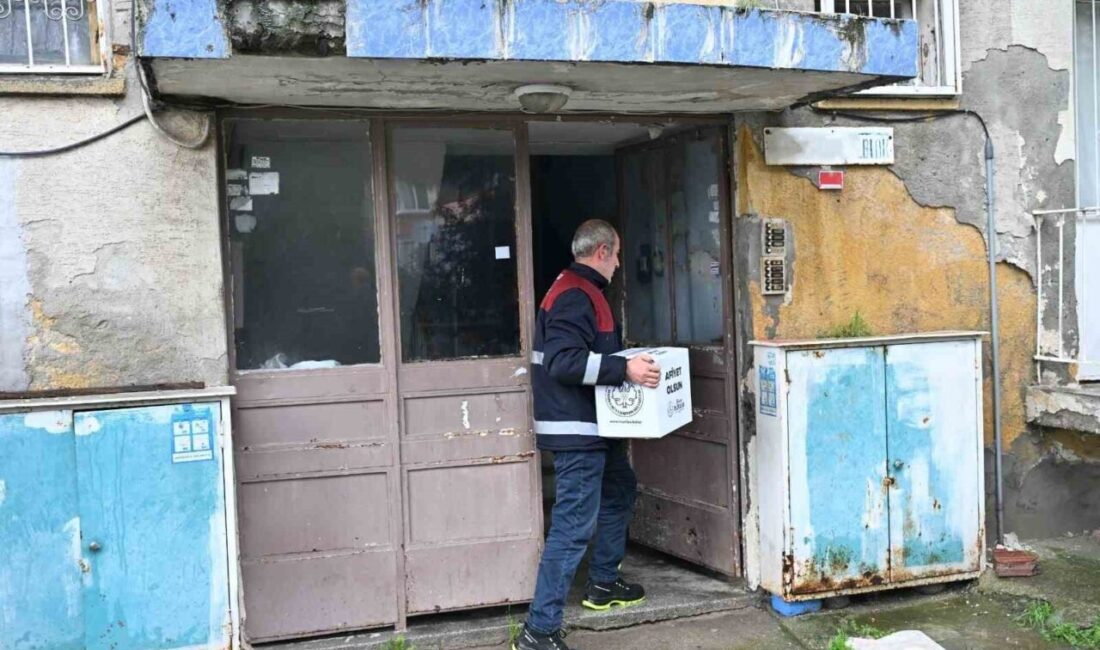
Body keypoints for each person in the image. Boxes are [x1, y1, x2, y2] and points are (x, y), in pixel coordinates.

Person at [515, 220, 661, 650]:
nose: (618, 264)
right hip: (577, 431)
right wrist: (625, 368)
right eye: (616, 255)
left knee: (619, 488)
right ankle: (538, 632)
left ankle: (602, 584)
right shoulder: (576, 294)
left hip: (596, 427)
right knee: (573, 526)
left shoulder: (578, 289)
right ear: (601, 251)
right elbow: (563, 362)